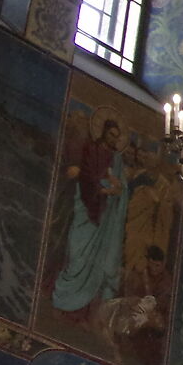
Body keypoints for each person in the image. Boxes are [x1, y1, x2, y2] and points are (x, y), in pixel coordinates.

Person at [51, 119, 131, 315]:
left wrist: (118, 188)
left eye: (117, 137)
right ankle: (64, 299)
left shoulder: (116, 159)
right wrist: (104, 189)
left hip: (104, 215)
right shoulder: (90, 150)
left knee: (97, 260)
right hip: (87, 207)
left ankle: (85, 312)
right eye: (111, 135)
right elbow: (86, 177)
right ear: (103, 132)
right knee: (77, 254)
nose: (114, 140)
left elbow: (121, 186)